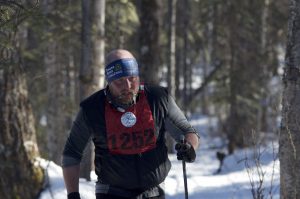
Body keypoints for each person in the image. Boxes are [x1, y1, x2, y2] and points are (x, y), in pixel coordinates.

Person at [62, 49, 200, 199]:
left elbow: (186, 131)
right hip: (111, 192)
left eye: (132, 78)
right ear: (108, 81)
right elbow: (72, 154)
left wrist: (189, 147)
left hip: (153, 192)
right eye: (119, 81)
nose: (127, 86)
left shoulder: (157, 99)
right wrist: (73, 194)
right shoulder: (92, 109)